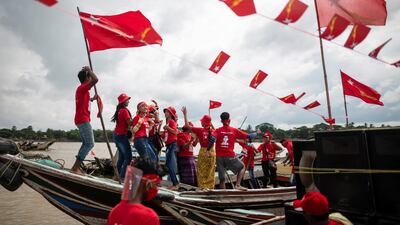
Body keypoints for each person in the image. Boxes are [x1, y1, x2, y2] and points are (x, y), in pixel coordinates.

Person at [107, 159, 161, 225]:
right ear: (148, 184)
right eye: (156, 184)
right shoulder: (150, 217)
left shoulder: (115, 211)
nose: (157, 189)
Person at [214, 112, 256, 190]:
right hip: (229, 155)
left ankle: (222, 194)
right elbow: (249, 136)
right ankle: (237, 185)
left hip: (219, 157)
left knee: (222, 178)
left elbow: (212, 138)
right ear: (229, 120)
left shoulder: (218, 130)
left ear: (221, 121)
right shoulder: (234, 130)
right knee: (242, 167)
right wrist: (256, 133)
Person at [71, 66, 98, 175]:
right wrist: (89, 70)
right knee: (90, 144)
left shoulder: (83, 91)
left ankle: (76, 167)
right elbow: (96, 80)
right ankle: (75, 168)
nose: (91, 79)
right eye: (89, 77)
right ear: (87, 78)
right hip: (83, 119)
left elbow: (84, 102)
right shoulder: (82, 88)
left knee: (85, 143)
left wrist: (92, 99)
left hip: (81, 119)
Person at [182, 106, 216, 190]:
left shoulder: (200, 130)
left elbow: (187, 125)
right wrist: (211, 125)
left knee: (201, 170)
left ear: (204, 123)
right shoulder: (214, 131)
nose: (201, 122)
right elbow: (215, 133)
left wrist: (185, 114)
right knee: (210, 171)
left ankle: (202, 187)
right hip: (212, 151)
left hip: (204, 151)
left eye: (202, 121)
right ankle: (210, 187)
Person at [111, 93, 133, 180]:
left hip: (117, 135)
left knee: (122, 157)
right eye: (127, 99)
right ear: (123, 101)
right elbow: (130, 122)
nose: (128, 101)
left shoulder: (119, 110)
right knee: (128, 157)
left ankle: (116, 176)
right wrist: (139, 119)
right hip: (121, 136)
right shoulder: (124, 110)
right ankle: (122, 176)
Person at [163, 106, 179, 189]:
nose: (165, 113)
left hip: (172, 144)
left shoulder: (172, 122)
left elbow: (176, 132)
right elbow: (164, 136)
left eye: (167, 112)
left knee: (169, 164)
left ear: (171, 114)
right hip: (169, 144)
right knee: (168, 164)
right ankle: (175, 183)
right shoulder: (168, 123)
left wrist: (167, 128)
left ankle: (175, 184)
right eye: (165, 112)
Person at [177, 122, 197, 186]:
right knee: (185, 176)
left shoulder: (190, 135)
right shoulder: (181, 135)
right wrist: (190, 140)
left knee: (192, 175)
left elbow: (194, 145)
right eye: (191, 128)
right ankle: (185, 186)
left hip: (191, 156)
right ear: (188, 128)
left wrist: (197, 137)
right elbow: (183, 147)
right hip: (184, 157)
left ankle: (192, 186)